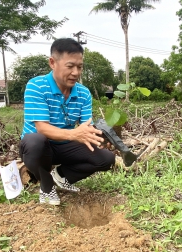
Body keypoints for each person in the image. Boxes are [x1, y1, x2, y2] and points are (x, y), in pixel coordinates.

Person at [20, 38, 115, 205]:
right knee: (35, 140)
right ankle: (46, 185)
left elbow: (86, 127)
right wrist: (74, 134)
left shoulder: (84, 93)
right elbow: (42, 129)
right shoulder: (37, 86)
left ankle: (62, 175)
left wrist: (101, 137)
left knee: (106, 159)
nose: (76, 72)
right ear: (52, 63)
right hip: (40, 148)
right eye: (70, 66)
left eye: (79, 67)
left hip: (64, 145)